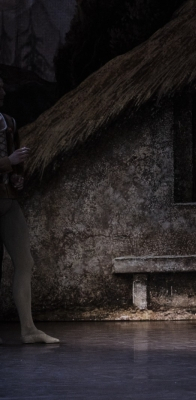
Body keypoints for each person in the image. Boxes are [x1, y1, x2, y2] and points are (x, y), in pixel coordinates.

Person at [0, 76, 59, 344]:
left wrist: (16, 176)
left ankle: (28, 330)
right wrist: (7, 162)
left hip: (8, 201)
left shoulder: (9, 123)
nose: (2, 90)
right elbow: (8, 159)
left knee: (25, 262)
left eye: (3, 85)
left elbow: (15, 164)